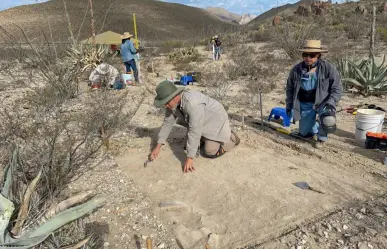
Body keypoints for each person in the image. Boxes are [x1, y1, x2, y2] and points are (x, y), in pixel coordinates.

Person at [149, 81, 240, 173]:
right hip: (200, 122)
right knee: (187, 146)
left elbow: (194, 131)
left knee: (210, 151)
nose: (165, 105)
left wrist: (189, 158)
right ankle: (204, 138)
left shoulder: (192, 104)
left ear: (175, 96)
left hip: (215, 121)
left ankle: (232, 138)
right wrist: (158, 146)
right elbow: (167, 123)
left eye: (166, 102)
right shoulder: (172, 104)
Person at [285, 40, 342, 147]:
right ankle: (310, 131)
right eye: (305, 55)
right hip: (305, 102)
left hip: (323, 102)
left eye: (312, 55)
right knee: (304, 134)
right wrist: (289, 105)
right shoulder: (296, 70)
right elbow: (290, 89)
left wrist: (331, 103)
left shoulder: (329, 68)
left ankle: (321, 138)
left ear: (318, 56)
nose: (308, 58)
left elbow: (337, 88)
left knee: (327, 119)